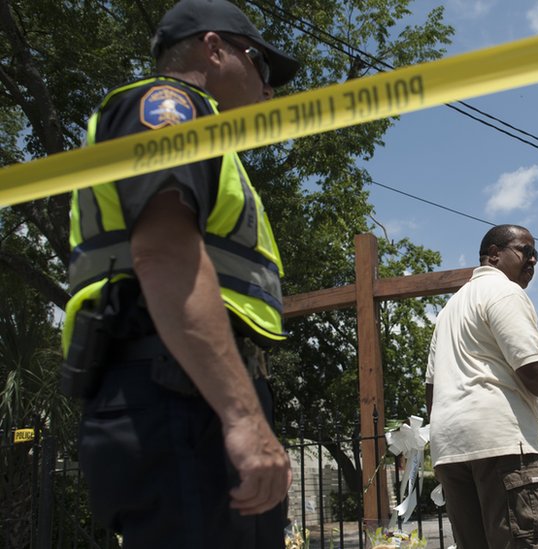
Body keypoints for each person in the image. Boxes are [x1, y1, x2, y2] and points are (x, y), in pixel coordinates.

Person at [61, 1, 300, 547]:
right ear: (213, 48)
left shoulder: (210, 138)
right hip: (178, 398)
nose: (268, 91)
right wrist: (242, 419)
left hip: (187, 393)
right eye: (260, 66)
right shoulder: (169, 106)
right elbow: (166, 256)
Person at [425, 224, 538, 549]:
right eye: (526, 251)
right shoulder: (505, 292)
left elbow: (431, 390)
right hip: (502, 447)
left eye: (536, 254)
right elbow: (531, 368)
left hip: (450, 451)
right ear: (493, 255)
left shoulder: (448, 311)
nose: (533, 261)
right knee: (525, 541)